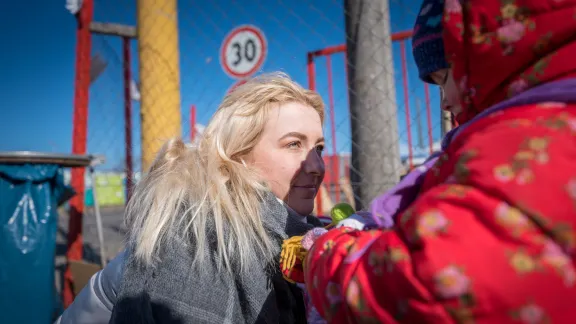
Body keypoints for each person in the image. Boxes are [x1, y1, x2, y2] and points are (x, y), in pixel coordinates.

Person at [302, 0, 576, 323]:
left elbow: (419, 282)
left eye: (445, 77)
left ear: (478, 61)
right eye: (295, 144)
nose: (444, 102)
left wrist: (320, 255)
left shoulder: (527, 140)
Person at [56, 72, 327, 324]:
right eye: (294, 144)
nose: (317, 166)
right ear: (238, 154)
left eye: (319, 148)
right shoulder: (198, 242)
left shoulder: (296, 230)